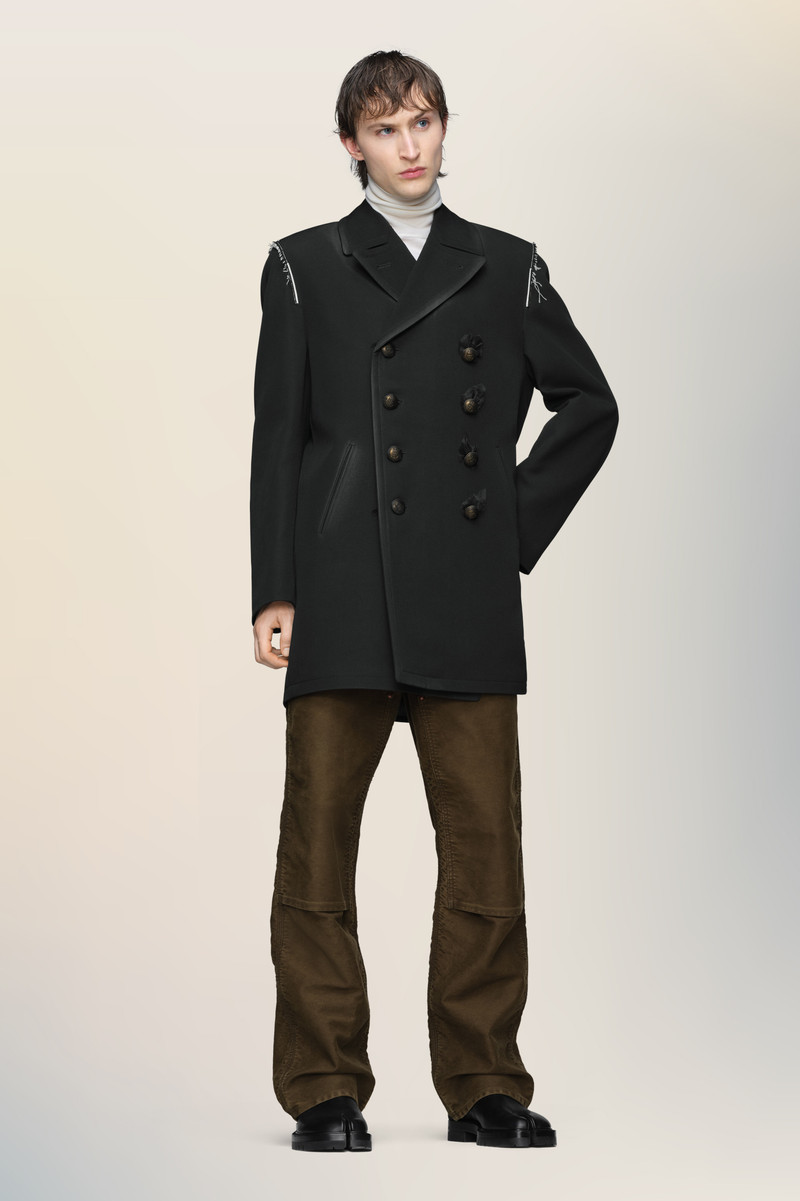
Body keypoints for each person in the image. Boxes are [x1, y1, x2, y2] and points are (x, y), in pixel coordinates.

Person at [250, 49, 618, 1152]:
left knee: (485, 848)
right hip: (341, 585)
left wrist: (508, 526)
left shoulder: (506, 266)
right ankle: (324, 1085)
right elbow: (278, 438)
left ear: (444, 129)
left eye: (423, 122)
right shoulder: (303, 266)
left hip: (464, 589)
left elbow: (588, 404)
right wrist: (275, 589)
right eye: (385, 128)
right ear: (350, 145)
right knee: (317, 847)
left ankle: (484, 1081)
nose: (408, 145)